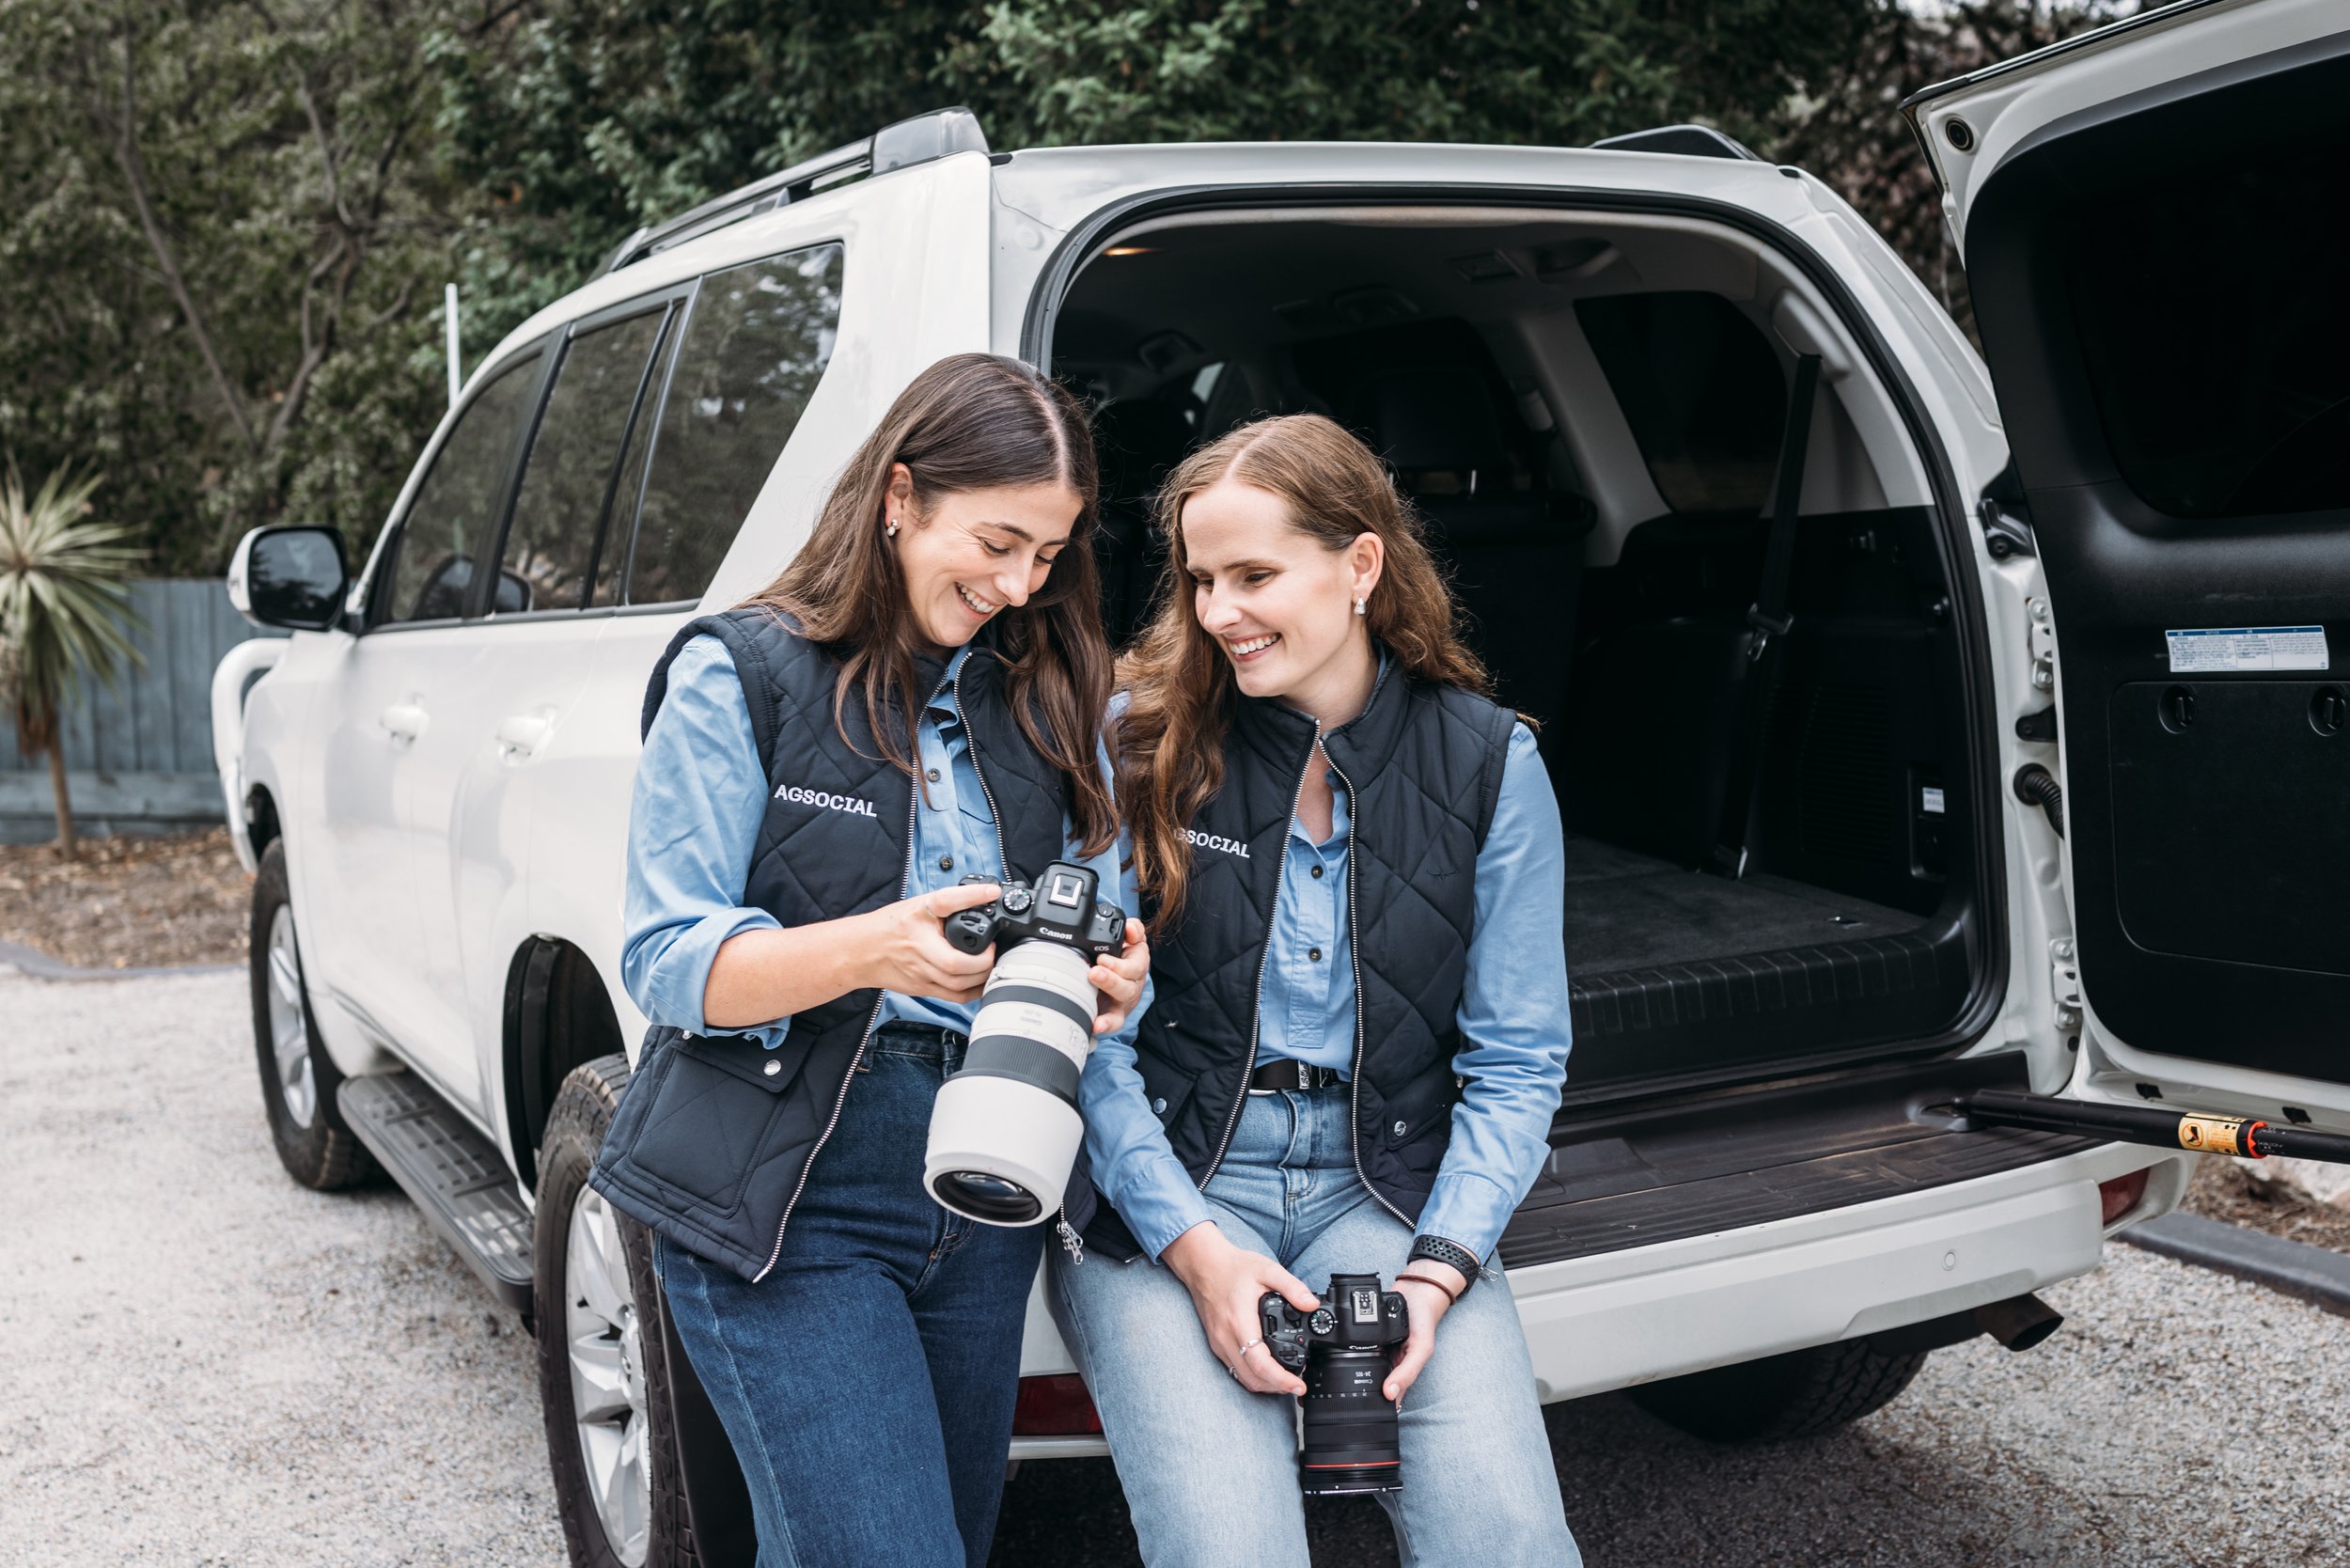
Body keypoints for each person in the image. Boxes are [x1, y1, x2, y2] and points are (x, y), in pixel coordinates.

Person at [589, 353, 1151, 1568]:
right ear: (900, 497)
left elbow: (1106, 908)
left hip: (988, 1184)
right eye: (997, 542)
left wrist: (1113, 976)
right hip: (791, 1197)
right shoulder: (742, 675)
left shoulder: (1054, 697)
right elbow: (670, 960)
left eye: (1047, 556)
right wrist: (878, 952)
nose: (1018, 586)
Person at [1052, 413, 1580, 1566]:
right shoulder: (1136, 745)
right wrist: (1193, 1250)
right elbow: (1092, 1043)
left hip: (1386, 1192)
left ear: (1360, 565)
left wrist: (1439, 1273)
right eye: (1199, 579)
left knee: (1510, 1542)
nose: (1218, 612)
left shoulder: (1493, 765)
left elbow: (1518, 1060)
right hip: (1179, 1187)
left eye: (1253, 575)